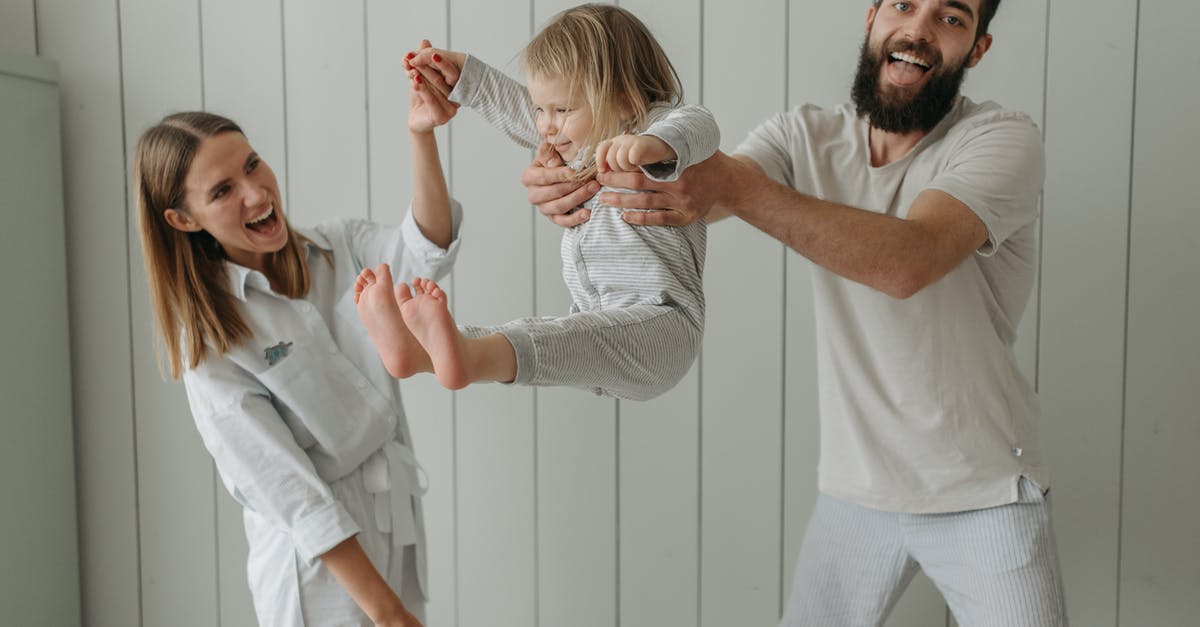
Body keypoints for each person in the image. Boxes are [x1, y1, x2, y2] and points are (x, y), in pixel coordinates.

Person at [520, 0, 1068, 625]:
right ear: (872, 17)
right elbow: (692, 188)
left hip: (986, 493)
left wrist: (729, 184)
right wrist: (576, 170)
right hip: (855, 494)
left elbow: (908, 261)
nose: (917, 30)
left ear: (977, 49)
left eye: (950, 17)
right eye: (904, 5)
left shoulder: (1002, 139)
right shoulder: (802, 136)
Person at [133, 68, 461, 626]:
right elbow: (291, 493)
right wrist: (386, 612)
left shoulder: (339, 249)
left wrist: (421, 136)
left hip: (393, 521)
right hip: (320, 569)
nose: (257, 193)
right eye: (223, 190)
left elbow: (427, 248)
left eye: (252, 165)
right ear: (182, 219)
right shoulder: (211, 344)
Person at [353, 4, 719, 402]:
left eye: (562, 110)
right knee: (546, 336)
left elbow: (700, 125)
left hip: (664, 324)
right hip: (594, 319)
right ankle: (419, 351)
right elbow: (515, 107)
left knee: (559, 338)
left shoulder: (652, 128)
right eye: (541, 109)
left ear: (624, 101)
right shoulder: (581, 144)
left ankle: (465, 356)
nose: (545, 124)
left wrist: (652, 144)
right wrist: (464, 77)